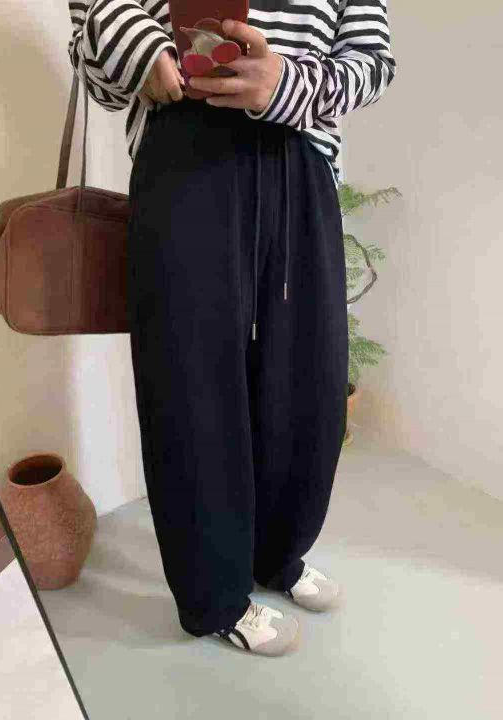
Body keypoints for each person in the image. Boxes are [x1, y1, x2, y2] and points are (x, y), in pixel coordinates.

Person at [68, 0, 397, 657]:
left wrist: (289, 84)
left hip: (301, 154)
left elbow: (374, 61)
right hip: (182, 145)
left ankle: (277, 554)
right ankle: (214, 595)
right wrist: (141, 48)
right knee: (189, 380)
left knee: (309, 377)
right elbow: (90, 33)